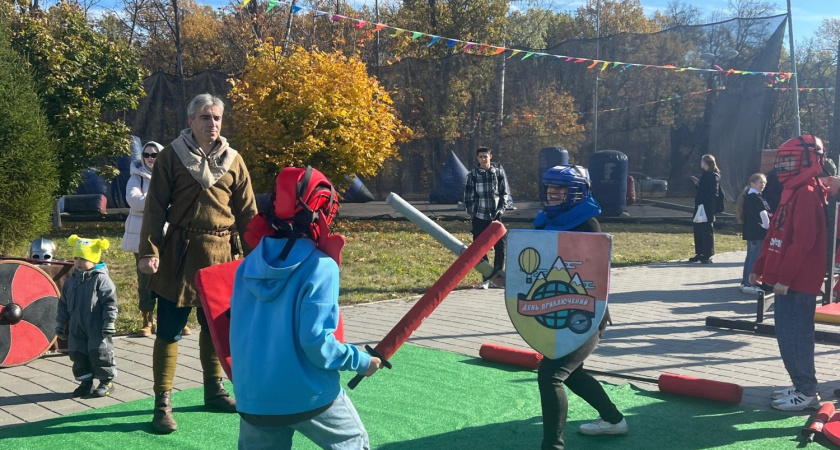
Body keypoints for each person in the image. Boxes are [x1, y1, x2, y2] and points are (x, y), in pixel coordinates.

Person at [230, 166, 382, 449]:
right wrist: (362, 362)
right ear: (322, 212)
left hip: (254, 398)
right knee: (352, 441)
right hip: (308, 396)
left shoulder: (247, 265)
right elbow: (317, 344)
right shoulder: (320, 266)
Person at [138, 93, 258, 433]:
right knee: (169, 331)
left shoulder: (234, 160)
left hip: (222, 255)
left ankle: (214, 390)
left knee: (216, 328)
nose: (213, 124)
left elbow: (248, 214)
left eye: (217, 118)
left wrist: (258, 257)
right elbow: (155, 207)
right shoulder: (171, 156)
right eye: (206, 117)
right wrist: (149, 250)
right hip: (179, 254)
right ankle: (162, 403)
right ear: (191, 121)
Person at [533, 166, 628, 449]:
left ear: (577, 193)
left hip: (585, 314)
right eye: (550, 186)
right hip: (555, 311)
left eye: (561, 188)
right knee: (570, 373)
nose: (553, 192)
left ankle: (553, 446)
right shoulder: (542, 222)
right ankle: (613, 420)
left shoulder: (587, 225)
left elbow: (595, 278)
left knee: (551, 374)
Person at [750, 135, 827, 412]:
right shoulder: (791, 191)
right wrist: (760, 267)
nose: (783, 166)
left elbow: (803, 241)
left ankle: (807, 390)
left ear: (808, 160)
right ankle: (799, 384)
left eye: (789, 160)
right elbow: (775, 233)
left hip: (798, 281)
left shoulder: (806, 192)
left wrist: (785, 278)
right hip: (785, 278)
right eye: (781, 160)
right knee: (786, 333)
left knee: (796, 334)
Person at [121, 141, 190, 337]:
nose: (150, 158)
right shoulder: (136, 178)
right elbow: (134, 201)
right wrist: (160, 200)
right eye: (147, 155)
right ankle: (147, 319)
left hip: (169, 236)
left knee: (171, 276)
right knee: (146, 280)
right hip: (143, 236)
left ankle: (175, 320)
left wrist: (155, 200)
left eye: (155, 154)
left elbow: (179, 200)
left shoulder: (171, 175)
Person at [55, 235, 118, 398]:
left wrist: (109, 321)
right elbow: (63, 304)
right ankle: (86, 382)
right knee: (77, 353)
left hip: (96, 324)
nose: (78, 262)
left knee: (100, 352)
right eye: (76, 258)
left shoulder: (101, 279)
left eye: (83, 258)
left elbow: (110, 302)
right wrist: (60, 323)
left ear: (94, 259)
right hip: (77, 325)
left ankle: (106, 381)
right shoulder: (71, 281)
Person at [464, 146, 508, 289]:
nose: (484, 159)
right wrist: (472, 213)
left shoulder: (498, 172)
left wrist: (500, 210)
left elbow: (504, 194)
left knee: (500, 247)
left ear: (491, 157)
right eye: (481, 157)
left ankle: (499, 277)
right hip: (479, 216)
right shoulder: (473, 175)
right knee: (480, 248)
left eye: (486, 156)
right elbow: (468, 196)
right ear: (477, 159)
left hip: (495, 216)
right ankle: (486, 278)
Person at [737, 173, 770, 294]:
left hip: (751, 232)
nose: (763, 185)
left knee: (750, 256)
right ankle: (749, 283)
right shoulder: (755, 197)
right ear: (752, 183)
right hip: (757, 232)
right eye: (760, 182)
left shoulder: (750, 196)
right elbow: (763, 215)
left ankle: (745, 281)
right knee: (754, 257)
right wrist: (767, 226)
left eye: (764, 183)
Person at [689, 154, 721, 264]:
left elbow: (713, 193)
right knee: (698, 229)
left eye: (702, 161)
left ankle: (707, 254)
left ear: (706, 162)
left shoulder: (713, 176)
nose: (700, 163)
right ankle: (700, 252)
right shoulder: (705, 174)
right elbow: (702, 190)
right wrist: (698, 184)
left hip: (707, 207)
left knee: (707, 230)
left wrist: (705, 200)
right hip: (699, 206)